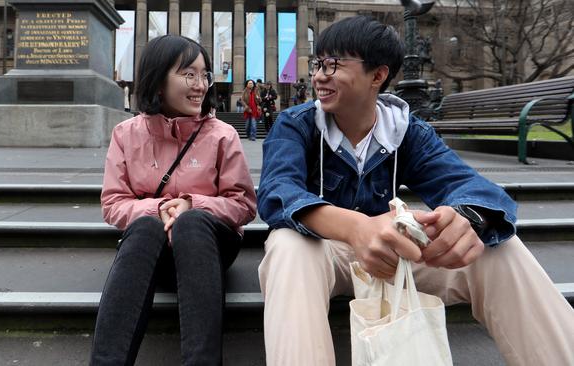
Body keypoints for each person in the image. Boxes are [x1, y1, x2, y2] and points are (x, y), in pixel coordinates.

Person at [257, 15, 574, 366]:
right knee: (287, 245)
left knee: (499, 248)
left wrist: (466, 218)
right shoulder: (296, 124)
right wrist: (357, 228)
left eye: (332, 65)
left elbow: (471, 186)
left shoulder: (408, 131)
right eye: (318, 63)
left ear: (377, 75)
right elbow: (276, 191)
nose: (318, 75)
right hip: (323, 252)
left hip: (394, 257)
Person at [90, 34, 257, 365]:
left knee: (192, 223)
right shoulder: (126, 135)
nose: (200, 85)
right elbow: (113, 204)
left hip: (209, 249)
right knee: (145, 227)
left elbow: (243, 204)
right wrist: (158, 210)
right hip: (151, 252)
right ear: (158, 79)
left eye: (204, 74)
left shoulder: (223, 135)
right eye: (188, 74)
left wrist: (192, 205)